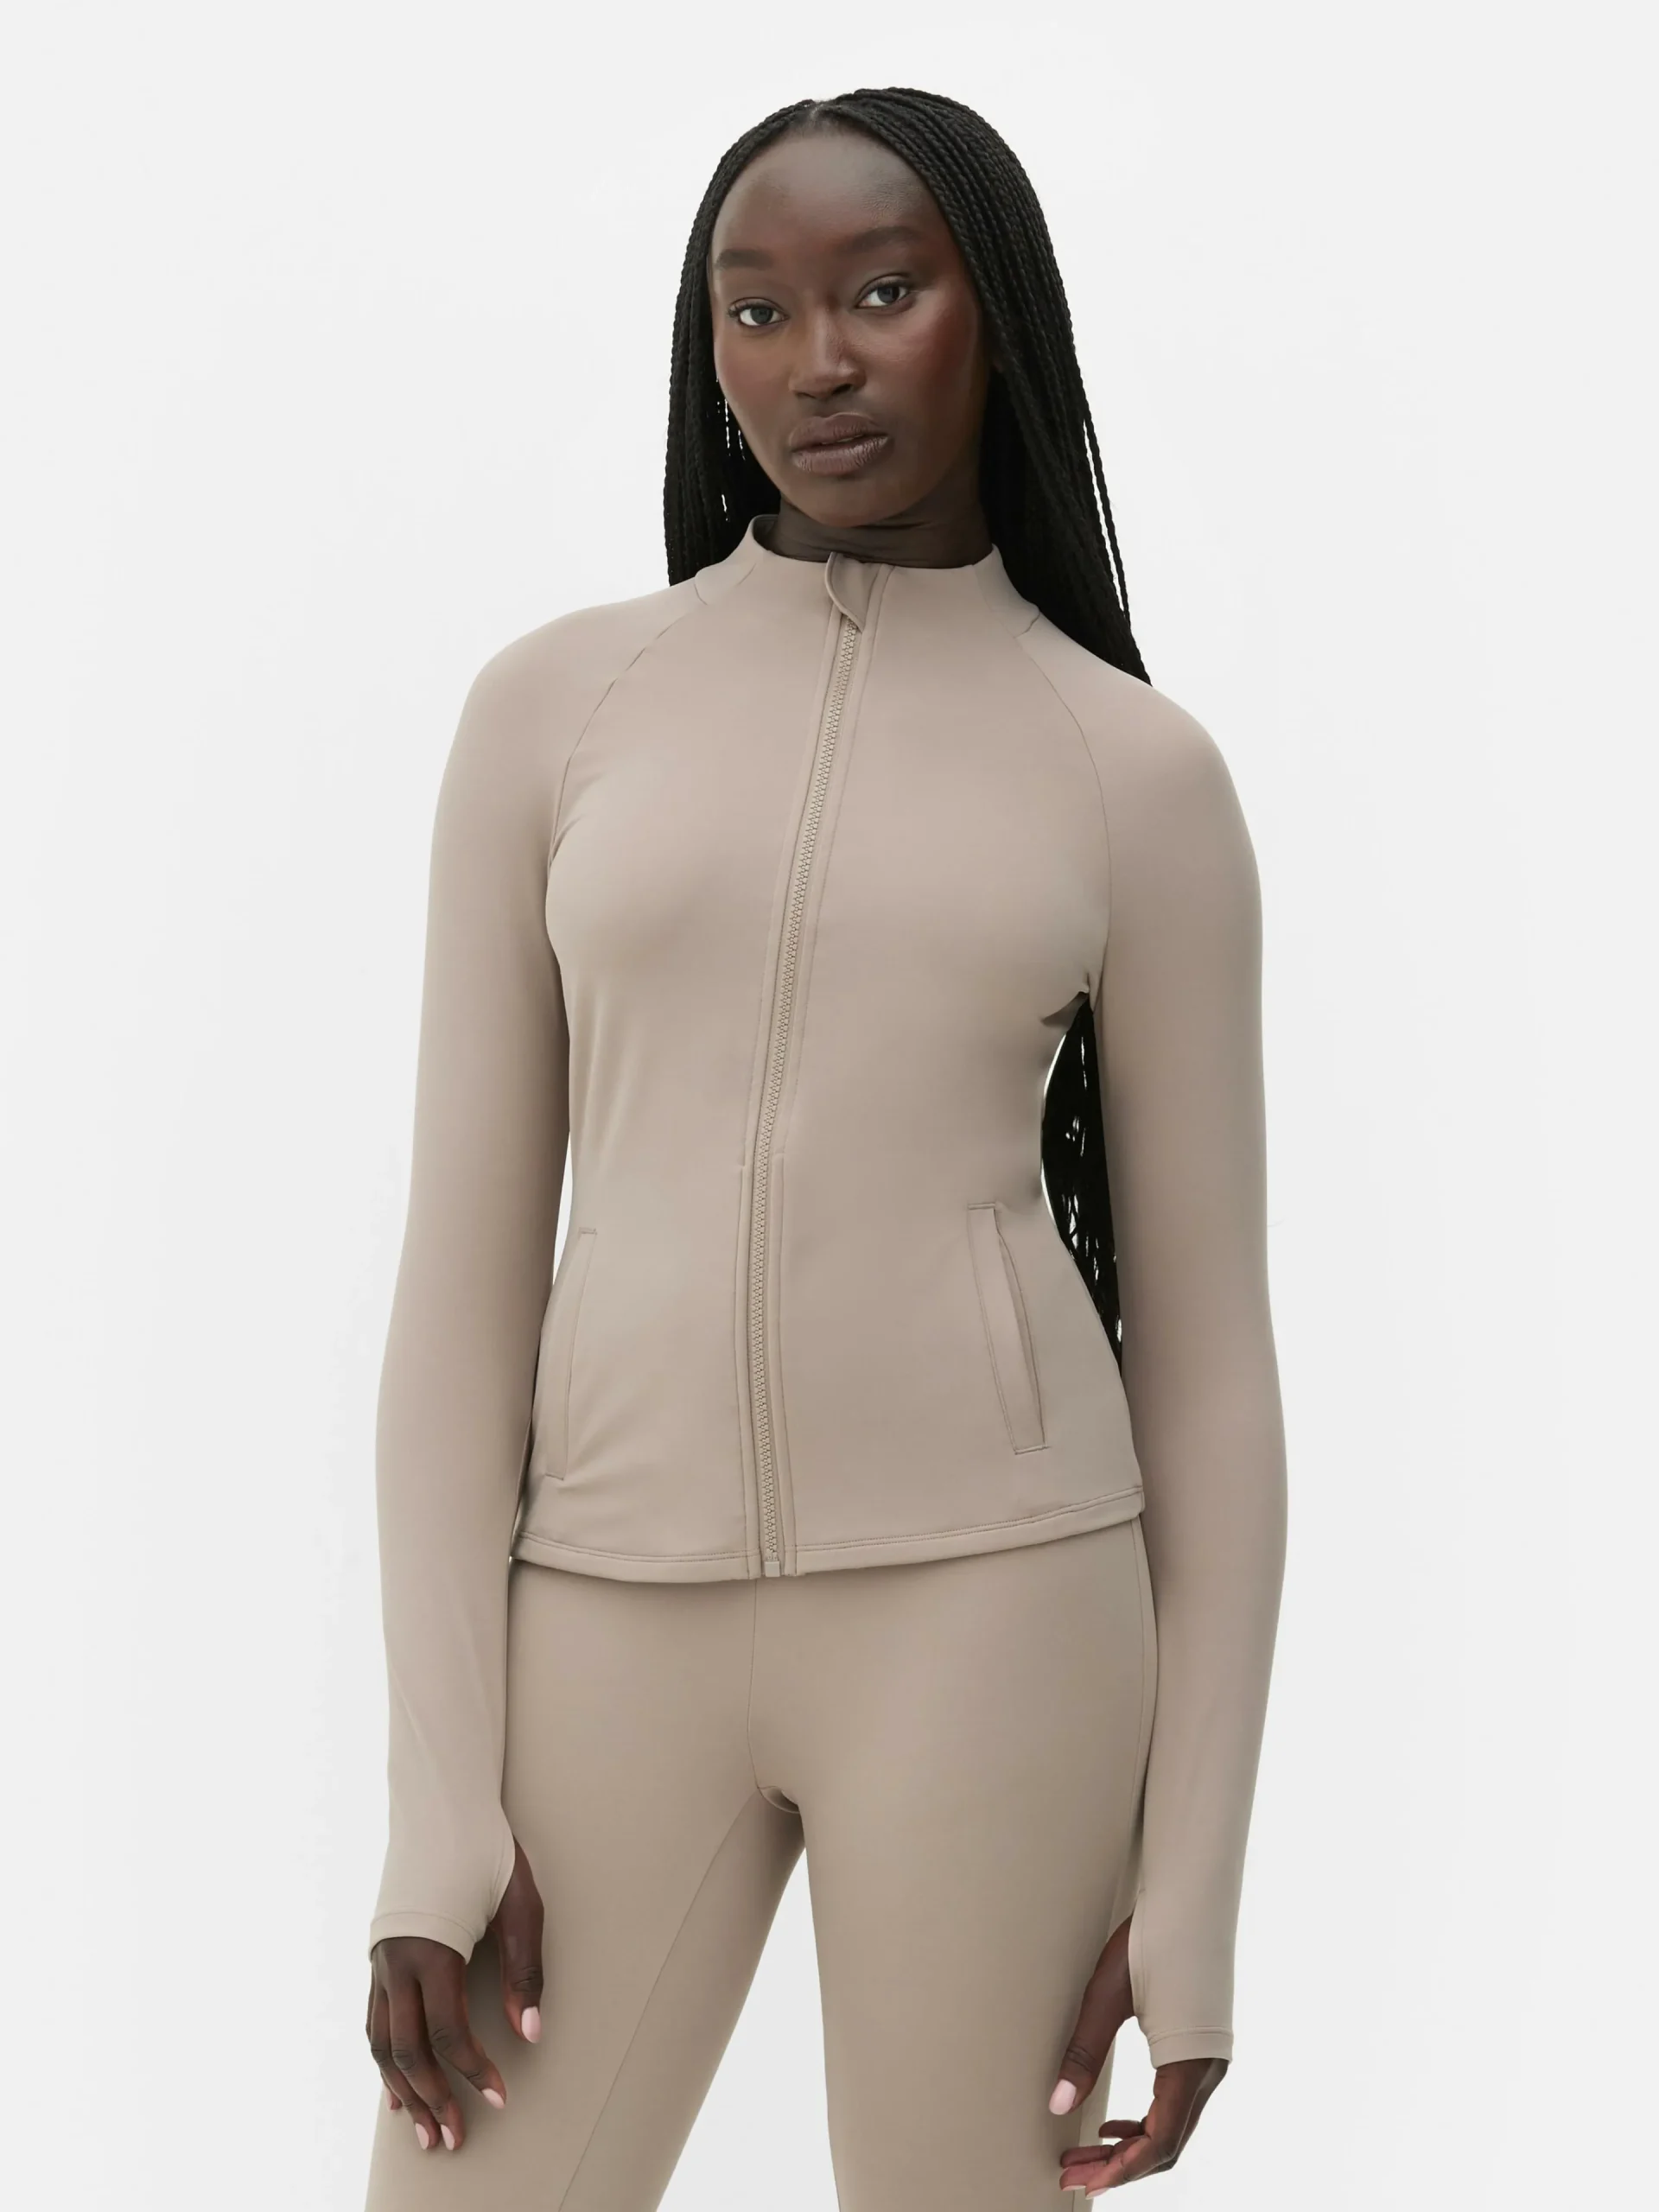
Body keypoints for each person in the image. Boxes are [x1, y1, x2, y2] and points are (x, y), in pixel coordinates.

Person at [361, 84, 1287, 2210]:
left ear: (996, 318)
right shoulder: (555, 711)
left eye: (883, 291)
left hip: (997, 1616)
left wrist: (1196, 1891)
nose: (819, 360)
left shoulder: (1135, 771)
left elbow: (1214, 1370)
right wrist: (434, 1812)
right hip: (604, 1608)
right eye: (757, 308)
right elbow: (462, 1291)